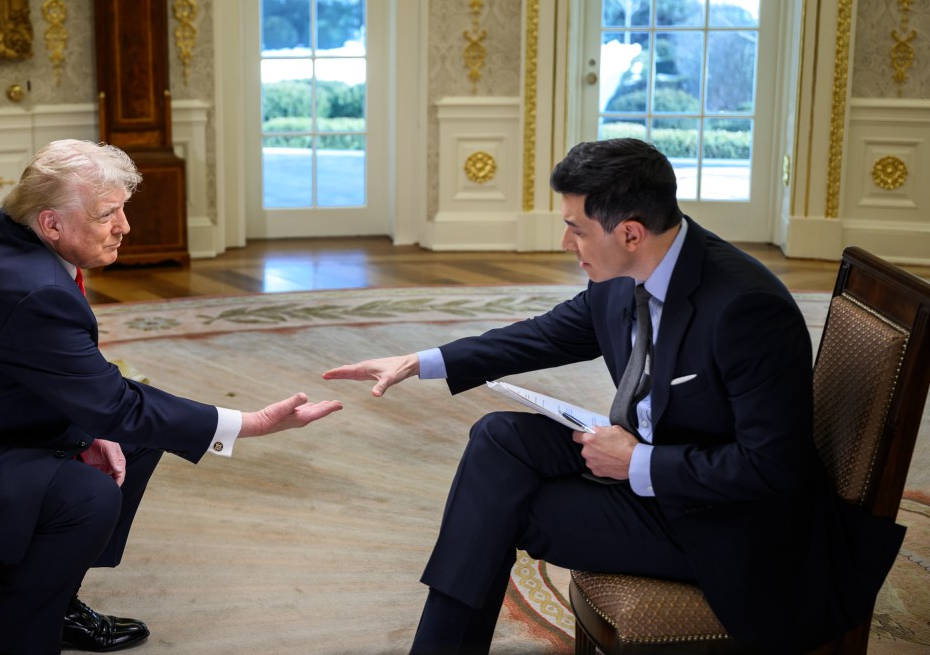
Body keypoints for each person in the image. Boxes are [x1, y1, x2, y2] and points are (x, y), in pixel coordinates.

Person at [323, 138, 904, 655]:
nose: (564, 241)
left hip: (725, 526)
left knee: (496, 508)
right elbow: (543, 334)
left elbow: (773, 468)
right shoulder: (624, 275)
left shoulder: (745, 311)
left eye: (576, 227)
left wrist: (638, 462)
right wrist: (419, 361)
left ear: (629, 232)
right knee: (497, 439)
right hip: (655, 467)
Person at [0, 140, 343, 655]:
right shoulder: (27, 287)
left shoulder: (11, 234)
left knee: (131, 441)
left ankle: (56, 597)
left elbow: (62, 378)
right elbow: (111, 399)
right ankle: (15, 641)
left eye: (122, 209)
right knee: (87, 497)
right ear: (52, 223)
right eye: (107, 213)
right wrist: (248, 423)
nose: (125, 226)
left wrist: (90, 429)